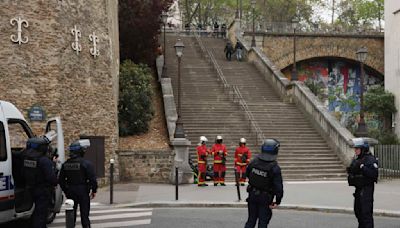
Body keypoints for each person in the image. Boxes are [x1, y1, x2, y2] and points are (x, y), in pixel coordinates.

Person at [244, 138, 283, 228]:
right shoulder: (274, 167)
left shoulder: (254, 161)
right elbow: (278, 187)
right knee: (263, 222)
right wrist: (278, 201)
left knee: (251, 220)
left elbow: (247, 173)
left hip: (252, 195)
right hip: (265, 198)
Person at [59, 139, 98, 228]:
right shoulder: (86, 164)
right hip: (83, 191)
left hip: (71, 191)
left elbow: (61, 180)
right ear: (81, 152)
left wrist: (66, 190)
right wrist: (94, 190)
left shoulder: (65, 164)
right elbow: (92, 179)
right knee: (84, 216)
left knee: (71, 215)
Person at [22, 137, 58, 228]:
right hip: (42, 190)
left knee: (36, 212)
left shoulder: (25, 157)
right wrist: (53, 165)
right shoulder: (44, 161)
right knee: (41, 214)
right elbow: (52, 178)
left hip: (30, 188)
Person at [347, 138, 378, 228]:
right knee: (358, 211)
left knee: (366, 214)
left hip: (366, 190)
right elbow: (351, 172)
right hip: (358, 190)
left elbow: (374, 174)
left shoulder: (370, 159)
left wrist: (362, 167)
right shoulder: (357, 160)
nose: (355, 150)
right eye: (355, 149)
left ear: (363, 149)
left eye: (357, 149)